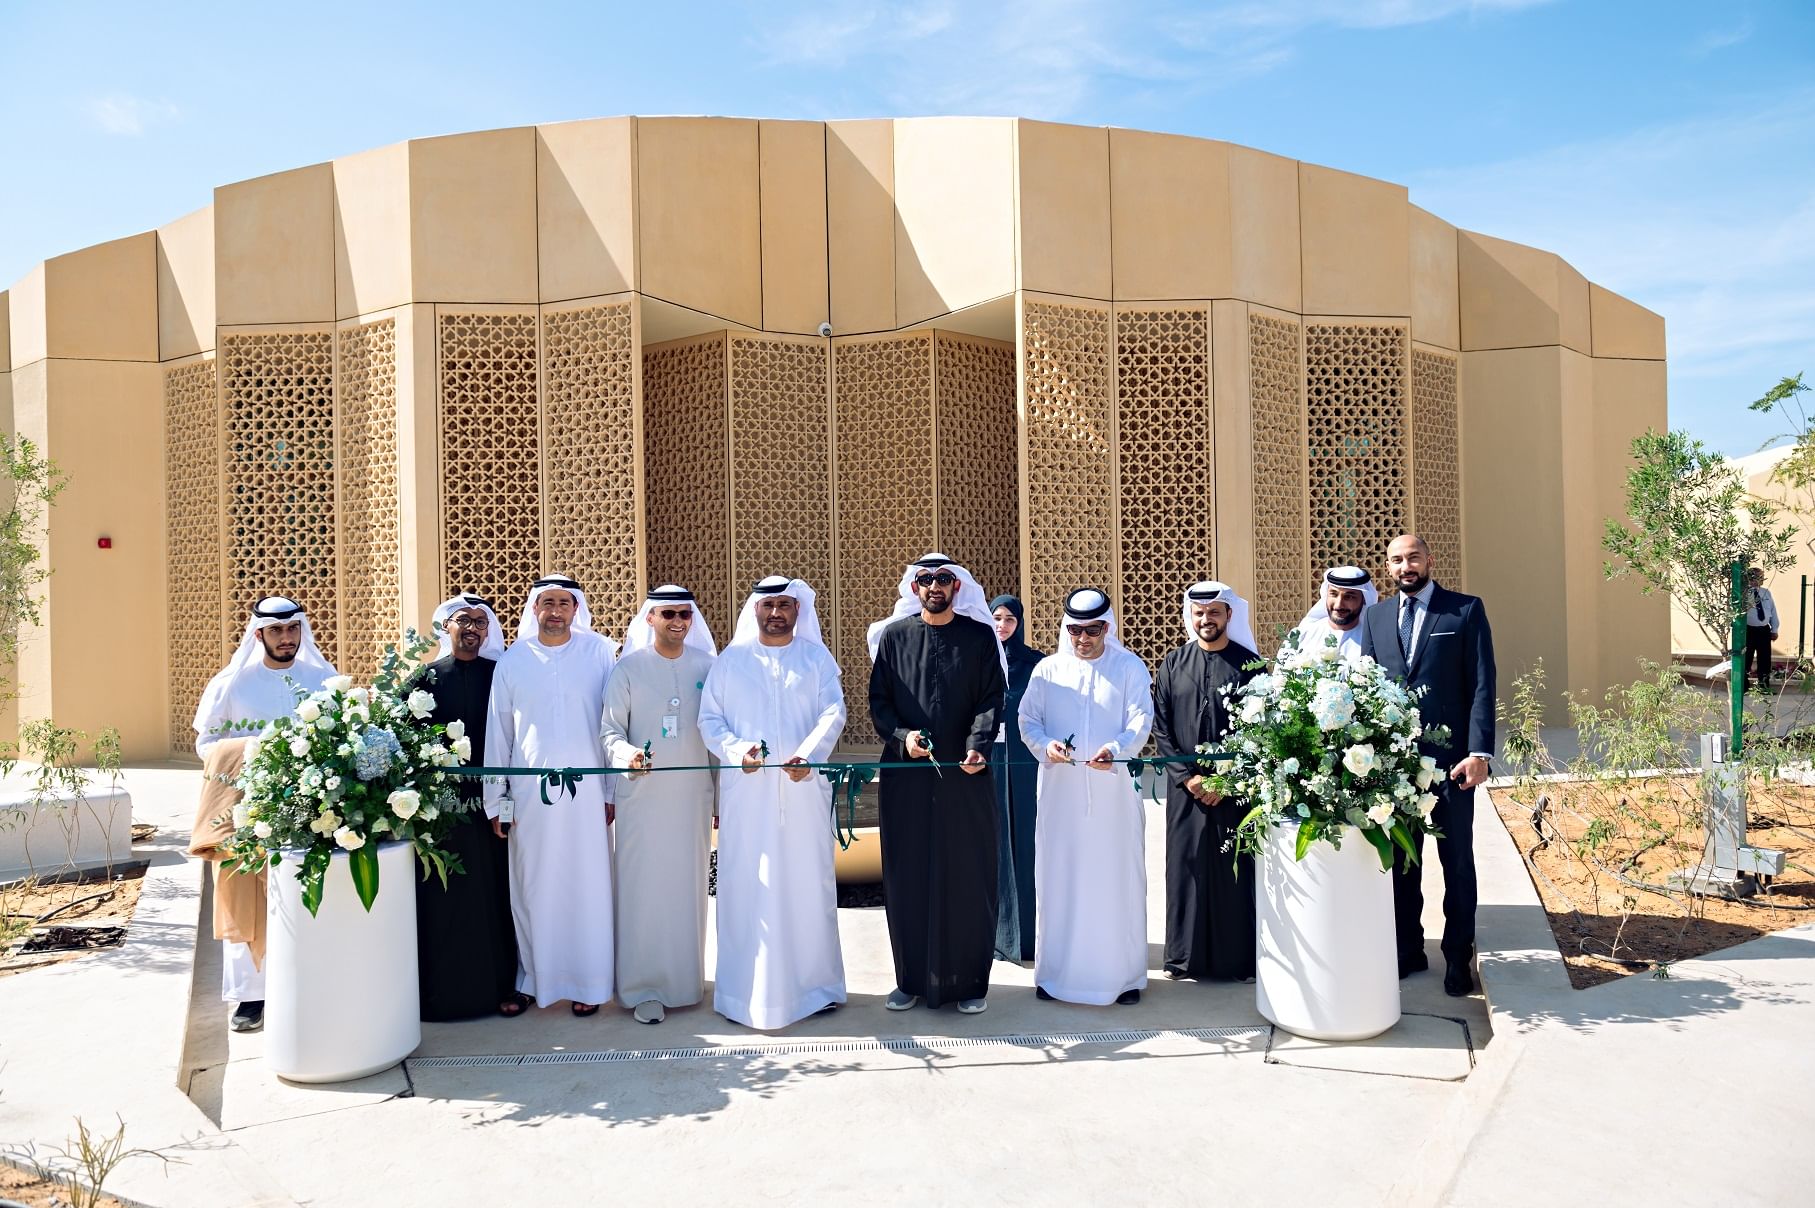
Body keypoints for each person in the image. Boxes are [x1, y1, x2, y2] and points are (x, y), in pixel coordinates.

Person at [700, 576, 848, 1029]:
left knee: (807, 886)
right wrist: (736, 750)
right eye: (769, 606)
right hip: (748, 798)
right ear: (756, 611)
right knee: (749, 888)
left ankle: (815, 989)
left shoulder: (816, 658)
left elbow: (834, 711)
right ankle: (744, 995)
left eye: (786, 605)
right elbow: (710, 719)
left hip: (804, 793)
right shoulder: (731, 661)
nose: (777, 613)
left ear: (798, 611)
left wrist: (810, 753)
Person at [188, 596, 338, 1032]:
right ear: (259, 635)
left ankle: (309, 985)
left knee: (303, 893)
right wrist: (253, 751)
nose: (287, 639)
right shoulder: (231, 684)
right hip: (246, 808)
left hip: (310, 807)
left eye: (293, 630)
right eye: (277, 631)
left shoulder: (320, 678)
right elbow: (206, 744)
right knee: (245, 895)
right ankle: (251, 998)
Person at [1358, 535, 1497, 997]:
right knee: (1401, 862)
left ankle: (1458, 956)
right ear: (1388, 567)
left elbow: (1481, 683)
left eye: (1413, 557)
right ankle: (1407, 948)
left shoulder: (1464, 610)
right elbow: (1369, 689)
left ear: (1429, 561)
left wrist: (1479, 753)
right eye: (1396, 560)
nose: (1405, 565)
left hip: (1453, 765)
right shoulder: (1375, 617)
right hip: (1396, 770)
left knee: (1456, 861)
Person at [867, 554, 1006, 1013]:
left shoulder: (980, 637)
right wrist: (903, 737)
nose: (934, 587)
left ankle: (969, 985)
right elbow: (879, 704)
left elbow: (991, 700)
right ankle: (910, 980)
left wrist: (978, 745)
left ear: (957, 587)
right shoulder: (894, 638)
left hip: (966, 777)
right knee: (908, 874)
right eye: (925, 580)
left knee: (966, 874)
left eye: (943, 579)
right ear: (914, 588)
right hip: (906, 779)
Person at [483, 574, 618, 1015]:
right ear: (534, 610)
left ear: (576, 609)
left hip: (588, 795)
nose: (555, 611)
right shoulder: (514, 660)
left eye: (564, 603)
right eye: (547, 603)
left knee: (587, 885)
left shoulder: (599, 652)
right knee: (533, 886)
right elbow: (499, 735)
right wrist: (496, 801)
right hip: (528, 797)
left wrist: (612, 790)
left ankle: (589, 982)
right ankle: (533, 979)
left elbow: (612, 726)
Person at [1017, 589, 1153, 1005]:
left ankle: (1122, 979)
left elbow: (1140, 719)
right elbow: (1028, 720)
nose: (1082, 638)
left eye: (1091, 630)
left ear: (1106, 628)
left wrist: (1116, 750)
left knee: (1115, 882)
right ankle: (1056, 976)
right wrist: (1047, 747)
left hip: (1112, 796)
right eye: (1074, 630)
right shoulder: (1047, 670)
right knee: (1061, 878)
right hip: (1062, 798)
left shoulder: (1129, 667)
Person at [603, 585, 718, 1025]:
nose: (677, 622)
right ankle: (641, 988)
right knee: (642, 891)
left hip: (692, 799)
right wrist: (626, 756)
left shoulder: (708, 667)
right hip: (642, 799)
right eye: (667, 613)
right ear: (649, 618)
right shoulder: (627, 669)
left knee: (687, 889)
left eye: (684, 615)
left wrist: (720, 799)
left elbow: (715, 738)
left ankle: (685, 985)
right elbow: (609, 732)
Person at [412, 593, 521, 1021]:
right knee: (445, 896)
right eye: (463, 620)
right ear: (447, 628)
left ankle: (500, 987)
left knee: (495, 893)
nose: (472, 627)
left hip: (493, 805)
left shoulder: (501, 675)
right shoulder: (424, 680)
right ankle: (441, 994)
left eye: (481, 621)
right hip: (442, 809)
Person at [1150, 581, 1263, 982]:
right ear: (1190, 616)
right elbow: (1160, 727)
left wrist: (1227, 781)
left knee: (1233, 870)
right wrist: (1187, 777)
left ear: (1229, 616)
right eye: (1199, 613)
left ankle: (1237, 962)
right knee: (1186, 868)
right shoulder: (1172, 664)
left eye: (1214, 612)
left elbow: (1260, 732)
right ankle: (1182, 958)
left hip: (1234, 792)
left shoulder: (1251, 666)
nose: (1206, 620)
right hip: (1186, 791)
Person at [990, 594, 1045, 962]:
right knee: (992, 843)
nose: (1003, 625)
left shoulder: (1037, 664)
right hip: (989, 761)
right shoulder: (980, 659)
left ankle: (1027, 936)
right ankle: (997, 936)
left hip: (1026, 764)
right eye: (997, 617)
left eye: (1010, 619)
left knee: (1027, 843)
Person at [1289, 566, 1378, 661]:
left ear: (1364, 600)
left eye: (1349, 597)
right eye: (1334, 594)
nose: (1339, 604)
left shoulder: (1374, 641)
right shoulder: (1302, 635)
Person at [1744, 567, 1779, 692]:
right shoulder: (1743, 593)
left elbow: (1772, 611)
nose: (1758, 580)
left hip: (1764, 630)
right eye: (1754, 577)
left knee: (1764, 659)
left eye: (1760, 577)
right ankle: (1743, 686)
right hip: (1748, 630)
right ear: (1748, 578)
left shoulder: (1766, 592)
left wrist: (1774, 629)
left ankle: (1763, 686)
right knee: (1746, 659)